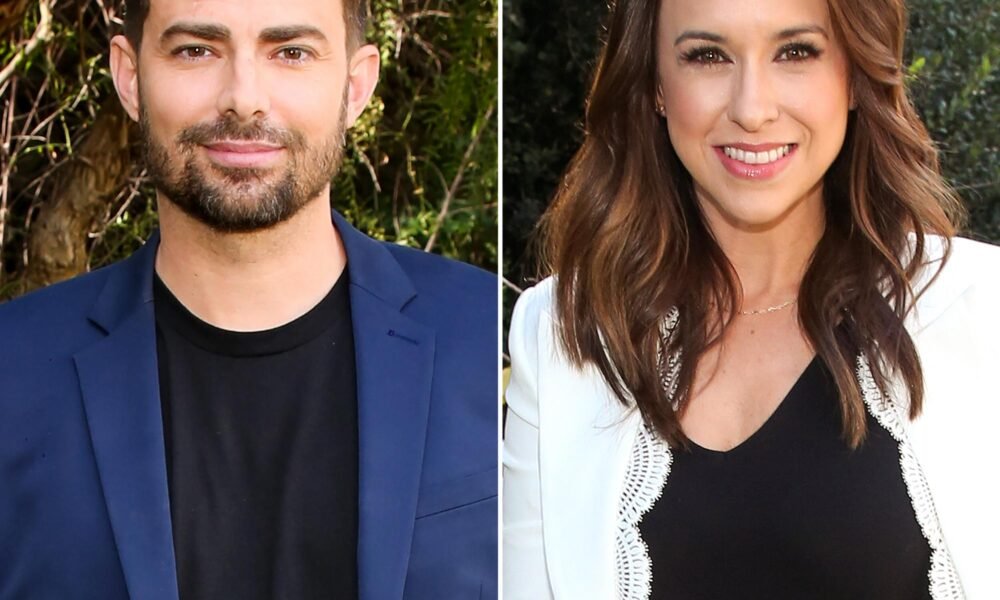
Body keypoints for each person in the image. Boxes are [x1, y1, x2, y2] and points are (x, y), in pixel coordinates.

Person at [0, 0, 497, 598]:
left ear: (356, 85)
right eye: (195, 51)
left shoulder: (489, 332)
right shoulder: (13, 370)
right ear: (130, 78)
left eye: (291, 52)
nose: (244, 98)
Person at [503, 0, 1000, 598]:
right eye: (707, 56)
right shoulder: (562, 333)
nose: (752, 108)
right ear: (655, 84)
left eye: (795, 52)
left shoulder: (981, 307)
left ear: (854, 74)